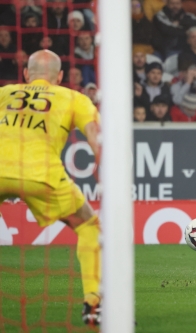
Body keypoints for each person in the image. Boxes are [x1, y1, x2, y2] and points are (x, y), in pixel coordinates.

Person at [0, 50, 101, 325]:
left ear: (25, 75)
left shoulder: (4, 92)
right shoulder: (73, 98)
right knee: (88, 226)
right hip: (40, 175)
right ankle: (93, 304)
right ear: (60, 77)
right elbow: (97, 139)